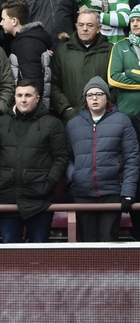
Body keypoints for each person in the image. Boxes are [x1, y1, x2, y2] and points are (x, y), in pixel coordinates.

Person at [0, 78, 67, 243]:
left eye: (28, 95)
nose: (23, 99)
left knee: (39, 254)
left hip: (39, 199)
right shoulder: (1, 123)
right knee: (10, 253)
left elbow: (61, 157)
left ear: (37, 98)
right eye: (19, 95)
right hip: (6, 197)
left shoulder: (53, 124)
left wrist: (48, 184)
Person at [66, 76, 140, 242]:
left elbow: (132, 158)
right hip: (82, 194)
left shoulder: (122, 121)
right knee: (87, 244)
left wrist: (128, 192)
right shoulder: (73, 124)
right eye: (90, 95)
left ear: (107, 97)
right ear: (85, 98)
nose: (94, 98)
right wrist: (74, 176)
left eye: (99, 94)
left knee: (108, 244)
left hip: (112, 192)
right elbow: (67, 157)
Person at [50, 9, 113, 123]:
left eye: (89, 25)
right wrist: (66, 109)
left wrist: (106, 109)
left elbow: (115, 86)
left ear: (98, 28)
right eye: (81, 25)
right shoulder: (63, 50)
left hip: (104, 119)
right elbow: (54, 84)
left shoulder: (110, 51)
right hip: (71, 118)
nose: (84, 29)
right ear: (76, 26)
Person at [0, 0, 53, 107]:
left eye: (3, 19)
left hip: (31, 109)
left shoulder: (27, 45)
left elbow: (32, 82)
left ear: (14, 21)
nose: (0, 23)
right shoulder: (25, 40)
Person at [108, 4, 140, 118]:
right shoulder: (119, 46)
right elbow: (113, 79)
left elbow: (121, 76)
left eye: (138, 20)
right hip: (128, 113)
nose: (135, 24)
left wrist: (129, 73)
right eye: (132, 21)